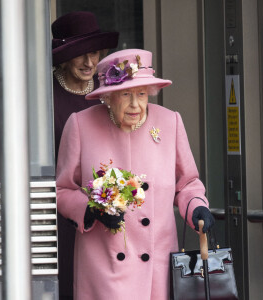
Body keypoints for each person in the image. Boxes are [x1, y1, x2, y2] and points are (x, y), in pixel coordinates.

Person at [56, 49, 215, 300]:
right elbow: (62, 189)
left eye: (141, 94)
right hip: (104, 269)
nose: (135, 104)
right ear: (108, 96)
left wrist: (196, 207)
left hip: (157, 267)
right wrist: (90, 210)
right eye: (126, 94)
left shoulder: (169, 122)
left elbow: (187, 184)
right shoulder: (80, 125)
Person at [51, 11, 119, 300]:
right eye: (80, 54)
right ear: (65, 57)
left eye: (94, 53)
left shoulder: (112, 92)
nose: (89, 62)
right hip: (61, 216)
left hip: (108, 213)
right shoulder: (45, 95)